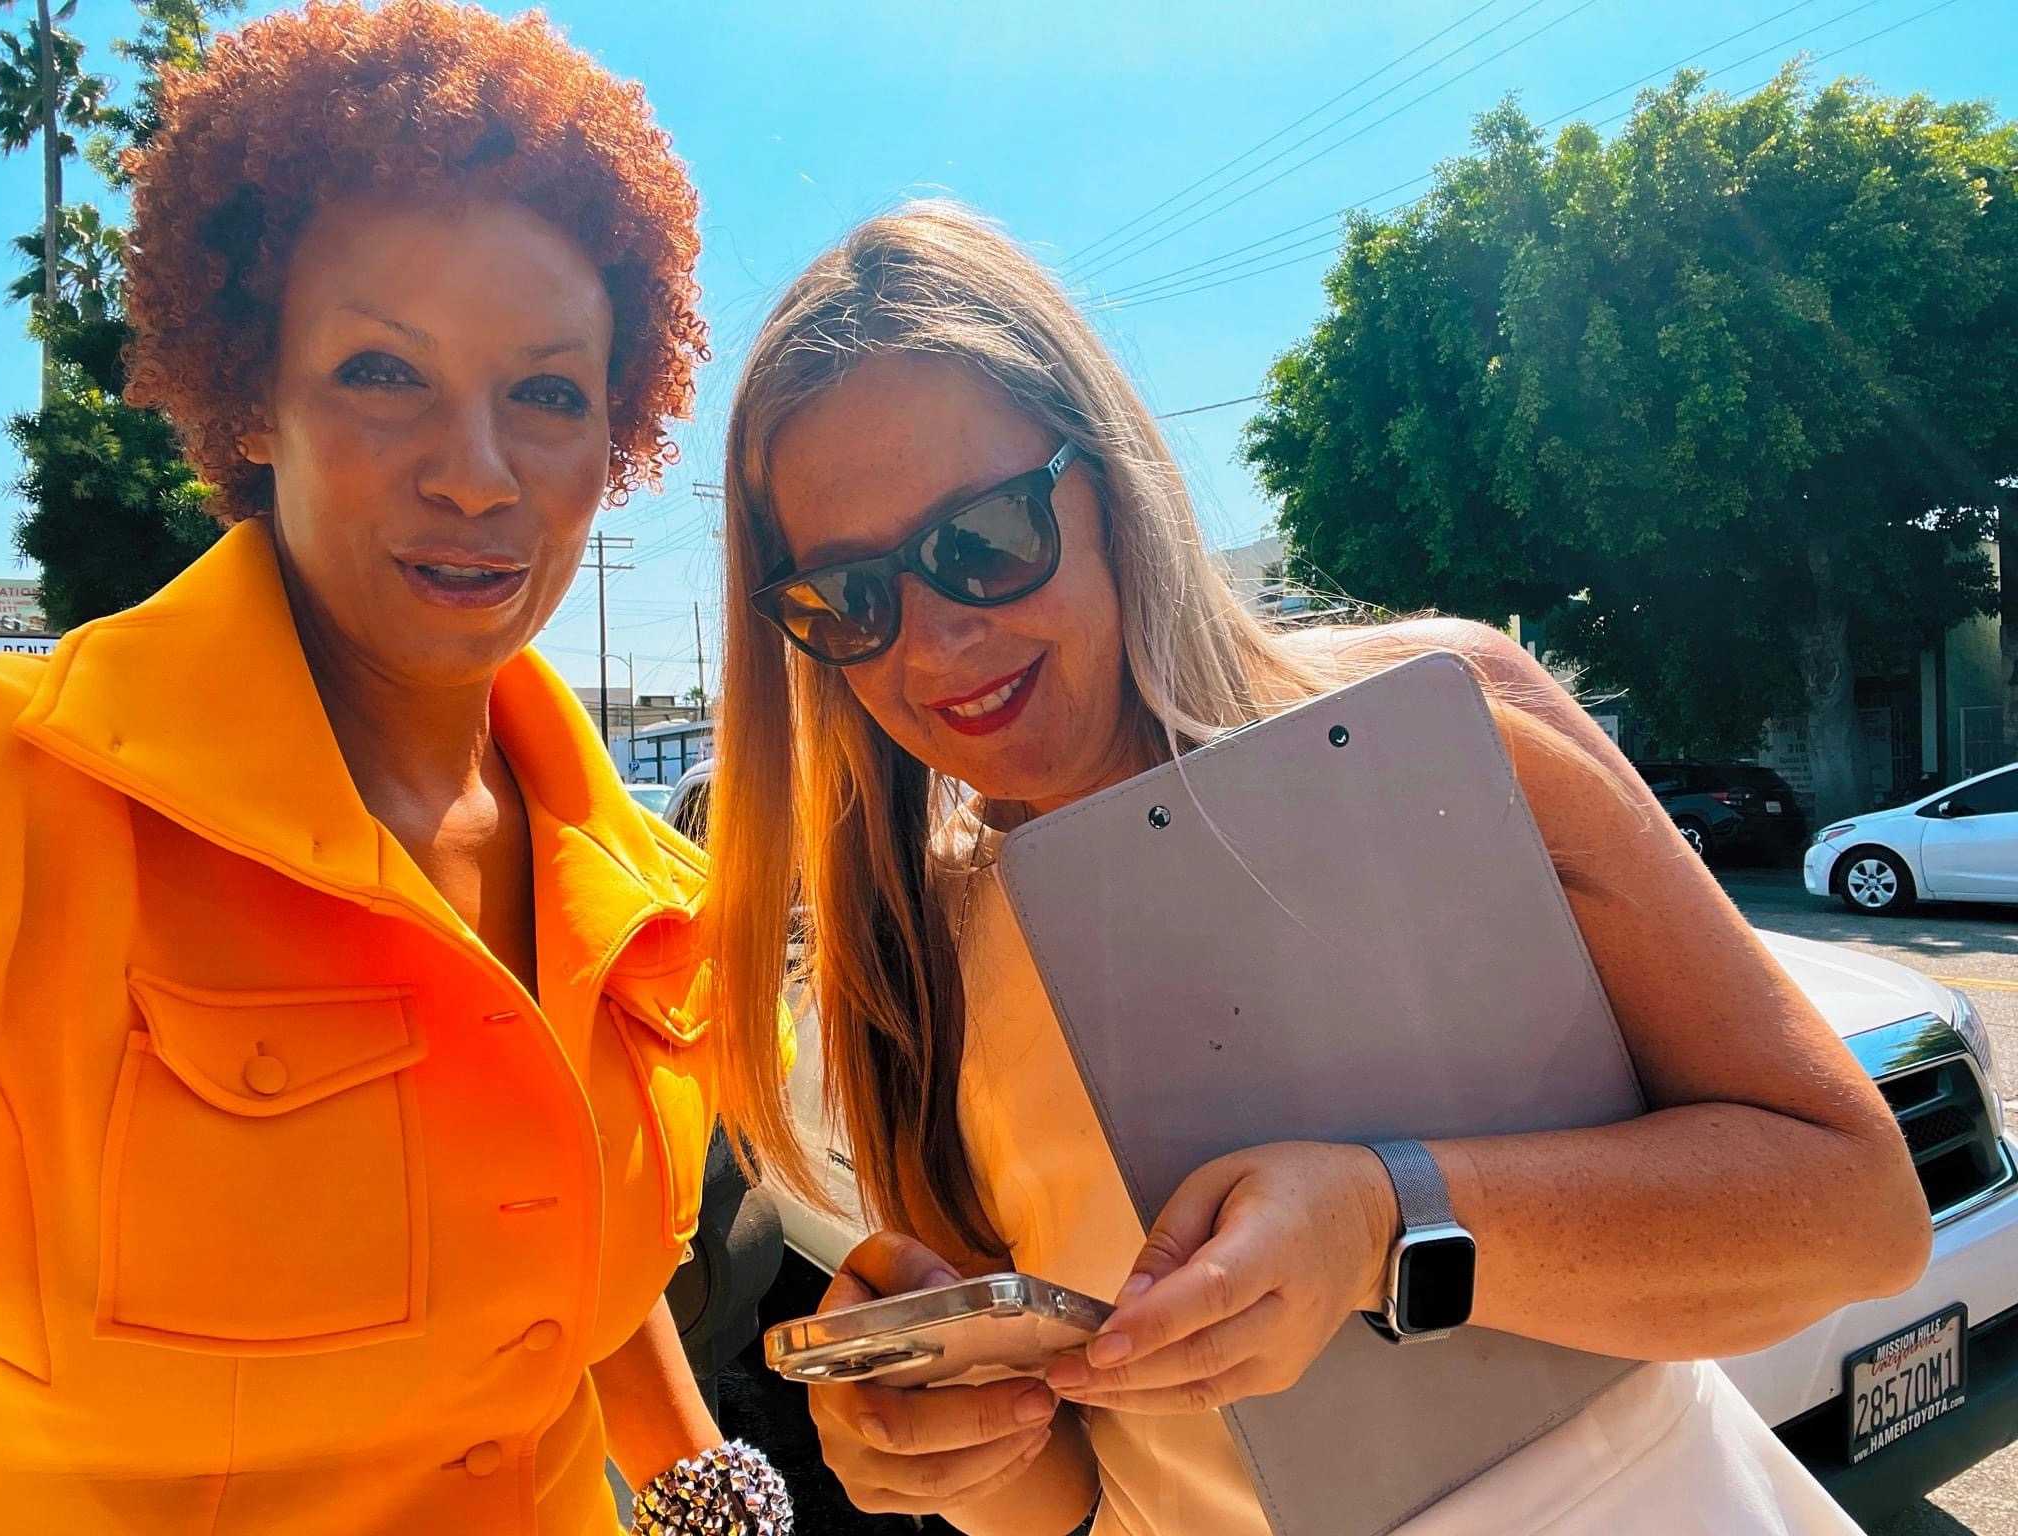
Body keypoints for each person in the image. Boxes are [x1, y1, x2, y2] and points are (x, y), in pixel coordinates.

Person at [706, 202, 1932, 1535]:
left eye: (984, 544)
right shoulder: (909, 950)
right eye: (849, 600)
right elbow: (1082, 1491)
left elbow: (1860, 1213)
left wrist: (1383, 1225)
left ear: (1111, 480)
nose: (933, 649)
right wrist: (944, 1452)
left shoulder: (1448, 715)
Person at [0, 4, 790, 1532]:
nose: (475, 472)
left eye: (547, 392)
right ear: (248, 402)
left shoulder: (649, 891)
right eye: (378, 372)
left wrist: (729, 1508)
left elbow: (573, 1287)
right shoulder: (5, 809)